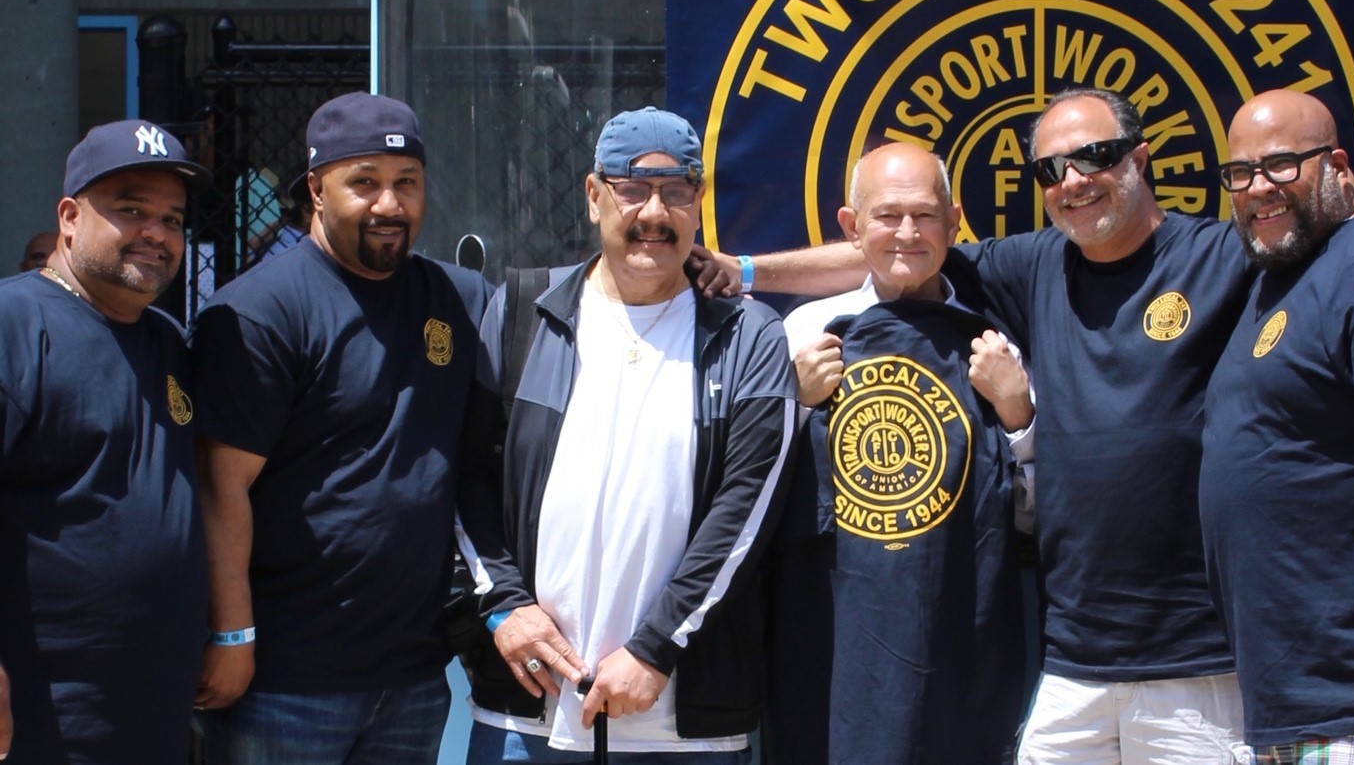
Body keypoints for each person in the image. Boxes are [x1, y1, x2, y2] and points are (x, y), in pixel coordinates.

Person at [694, 88, 1354, 764]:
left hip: (1198, 666)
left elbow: (1315, 228)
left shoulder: (1224, 254)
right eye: (1051, 170)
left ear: (1140, 160)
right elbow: (899, 249)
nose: (1073, 180)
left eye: (1096, 157)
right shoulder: (1034, 265)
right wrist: (747, 270)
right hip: (1071, 663)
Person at [462, 106, 797, 762]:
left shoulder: (746, 336)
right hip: (527, 716)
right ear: (594, 196)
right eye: (632, 189)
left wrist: (655, 649)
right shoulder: (523, 314)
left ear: (698, 202)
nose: (654, 213)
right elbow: (465, 475)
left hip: (683, 724)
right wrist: (505, 605)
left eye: (675, 192)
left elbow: (746, 512)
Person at [191, 92, 494, 764]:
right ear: (316, 191)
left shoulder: (458, 299)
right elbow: (220, 489)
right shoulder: (259, 313)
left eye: (406, 184)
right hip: (285, 682)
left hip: (414, 678)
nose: (389, 204)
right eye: (364, 183)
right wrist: (233, 636)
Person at [766, 141, 1031, 764]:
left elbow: (1034, 518)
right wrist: (796, 405)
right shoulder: (804, 334)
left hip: (961, 641)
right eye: (887, 216)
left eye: (925, 215)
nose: (907, 233)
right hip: (834, 643)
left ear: (955, 221)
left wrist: (1018, 416)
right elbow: (751, 506)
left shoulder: (996, 344)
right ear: (852, 228)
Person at [1200, 89, 1354, 761]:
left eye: (1279, 166)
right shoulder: (1269, 282)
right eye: (1239, 174)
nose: (1257, 189)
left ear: (1338, 165)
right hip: (1294, 708)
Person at [0, 120, 211, 763]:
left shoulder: (168, 340)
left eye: (172, 219)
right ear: (69, 217)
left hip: (153, 708)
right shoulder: (14, 323)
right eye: (131, 210)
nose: (157, 232)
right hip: (43, 714)